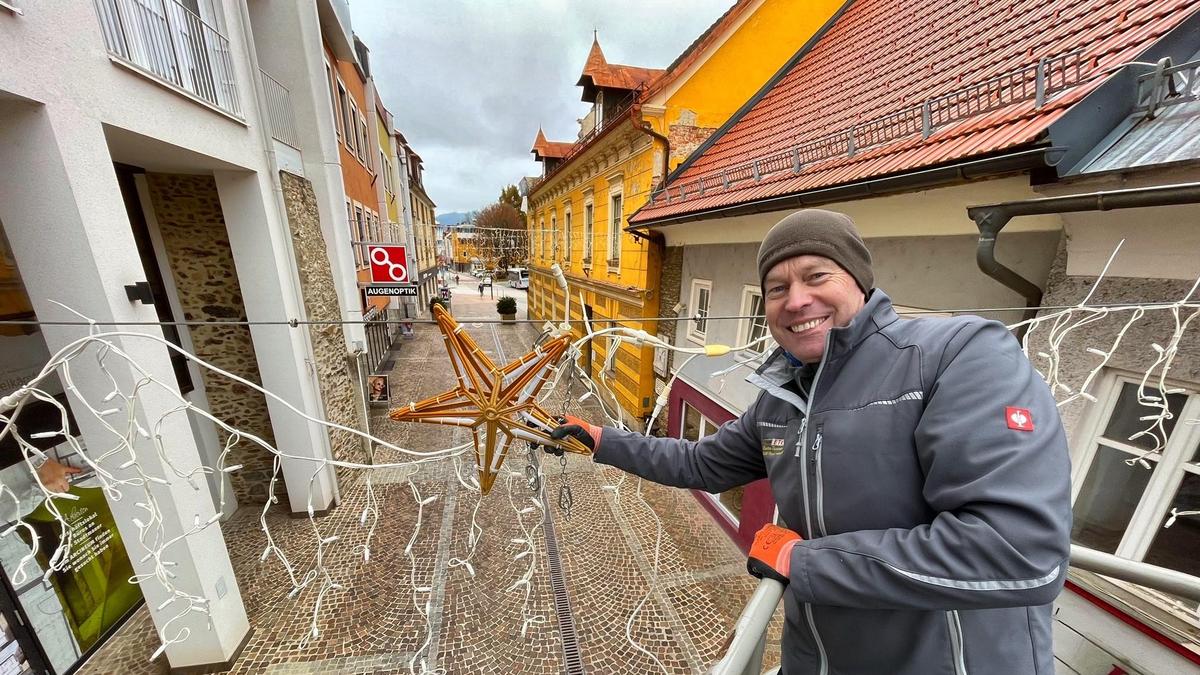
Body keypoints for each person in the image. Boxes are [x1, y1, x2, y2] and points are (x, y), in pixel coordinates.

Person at [549, 209, 1071, 674]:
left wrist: (803, 563)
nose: (797, 300)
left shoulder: (956, 356)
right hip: (817, 656)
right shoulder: (783, 398)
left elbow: (1018, 551)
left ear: (859, 282)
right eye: (776, 288)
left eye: (816, 276)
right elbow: (702, 462)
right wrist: (600, 441)